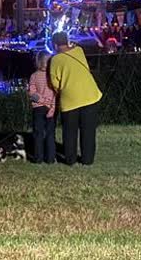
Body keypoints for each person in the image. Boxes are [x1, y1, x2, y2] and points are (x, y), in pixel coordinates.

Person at [49, 31, 103, 166]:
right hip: (90, 95)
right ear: (67, 41)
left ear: (55, 45)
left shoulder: (55, 60)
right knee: (88, 131)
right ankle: (87, 159)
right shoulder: (79, 51)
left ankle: (70, 159)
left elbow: (55, 83)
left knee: (70, 132)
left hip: (70, 99)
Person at [27, 51, 57, 164]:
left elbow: (32, 93)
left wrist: (42, 100)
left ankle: (38, 158)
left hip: (38, 108)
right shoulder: (53, 76)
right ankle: (50, 158)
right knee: (50, 134)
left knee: (38, 134)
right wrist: (52, 105)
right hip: (51, 107)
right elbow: (56, 92)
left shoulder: (34, 76)